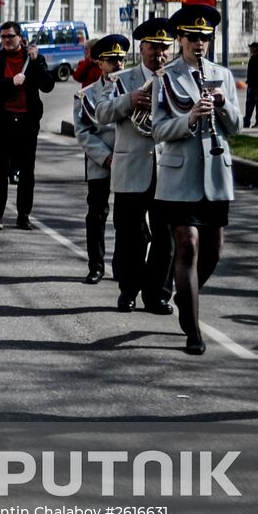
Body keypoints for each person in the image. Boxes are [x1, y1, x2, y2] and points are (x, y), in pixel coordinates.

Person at [151, 5, 241, 354]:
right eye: (193, 38)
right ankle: (193, 330)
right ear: (180, 39)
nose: (199, 43)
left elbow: (237, 126)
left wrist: (223, 103)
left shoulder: (222, 75)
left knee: (213, 251)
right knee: (187, 243)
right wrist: (188, 119)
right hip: (180, 175)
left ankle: (185, 292)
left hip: (215, 175)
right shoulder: (166, 77)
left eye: (205, 38)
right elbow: (158, 130)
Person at [95, 18, 175, 313]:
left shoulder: (176, 79)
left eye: (165, 47)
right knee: (131, 235)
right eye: (154, 47)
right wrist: (128, 100)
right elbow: (101, 113)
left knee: (166, 236)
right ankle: (128, 290)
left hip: (168, 168)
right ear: (142, 48)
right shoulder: (122, 80)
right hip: (131, 168)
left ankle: (158, 294)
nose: (160, 53)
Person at [0, 21, 55, 230]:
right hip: (2, 121)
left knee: (27, 171)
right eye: (3, 37)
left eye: (10, 36)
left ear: (20, 37)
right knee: (0, 169)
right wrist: (10, 82)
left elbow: (48, 85)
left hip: (27, 122)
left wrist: (36, 62)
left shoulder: (33, 59)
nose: (6, 40)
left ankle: (24, 214)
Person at [74, 35, 126, 285]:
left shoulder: (135, 88)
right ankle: (96, 265)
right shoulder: (86, 95)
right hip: (100, 161)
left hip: (130, 160)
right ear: (100, 63)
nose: (118, 64)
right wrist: (106, 158)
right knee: (96, 214)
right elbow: (83, 132)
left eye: (121, 59)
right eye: (112, 60)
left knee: (126, 217)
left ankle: (123, 266)